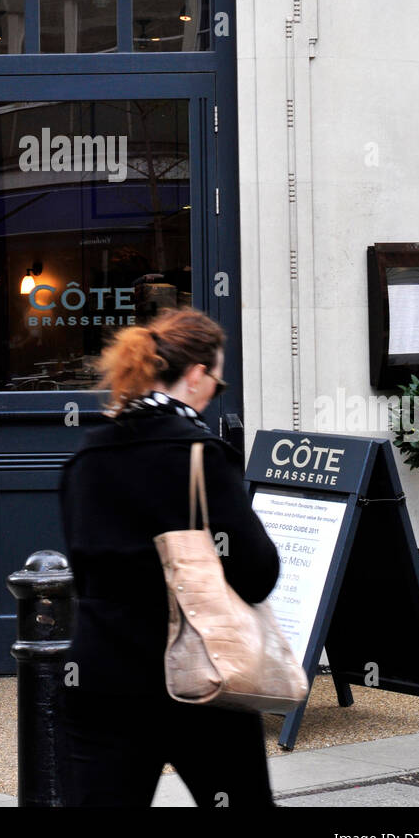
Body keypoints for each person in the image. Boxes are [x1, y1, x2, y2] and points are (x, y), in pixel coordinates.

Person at [58, 308, 281, 808]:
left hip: (101, 680)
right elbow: (258, 572)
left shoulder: (86, 457)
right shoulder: (201, 455)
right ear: (198, 376)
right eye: (218, 384)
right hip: (198, 679)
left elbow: (84, 569)